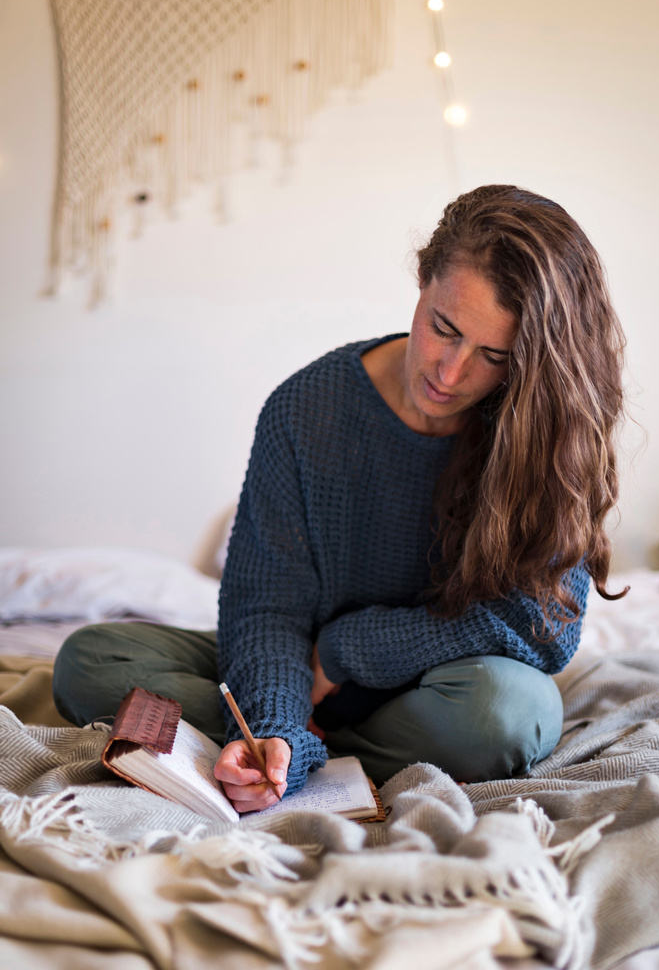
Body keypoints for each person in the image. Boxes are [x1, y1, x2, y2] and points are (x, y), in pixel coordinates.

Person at [53, 185, 626, 814]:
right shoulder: (306, 409)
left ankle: (294, 752)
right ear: (422, 281)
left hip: (437, 685)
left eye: (494, 356)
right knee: (90, 660)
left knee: (513, 711)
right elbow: (266, 607)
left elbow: (543, 627)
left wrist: (348, 649)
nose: (451, 372)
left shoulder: (548, 430)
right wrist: (276, 724)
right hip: (299, 672)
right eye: (443, 329)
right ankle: (299, 753)